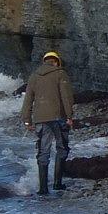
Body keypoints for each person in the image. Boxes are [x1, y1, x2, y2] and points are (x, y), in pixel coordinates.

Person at [20, 50, 74, 194]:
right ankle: (57, 183)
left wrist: (27, 120)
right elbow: (66, 97)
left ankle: (43, 188)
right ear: (56, 62)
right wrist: (69, 116)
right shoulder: (60, 74)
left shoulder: (34, 76)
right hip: (58, 118)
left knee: (43, 151)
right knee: (62, 148)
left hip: (40, 119)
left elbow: (28, 99)